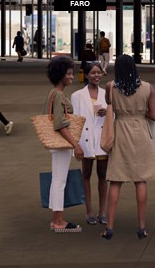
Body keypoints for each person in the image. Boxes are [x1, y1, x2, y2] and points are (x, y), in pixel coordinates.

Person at [104, 54, 155, 240]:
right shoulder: (147, 88)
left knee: (116, 180)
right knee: (141, 180)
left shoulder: (110, 87)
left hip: (120, 132)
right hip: (141, 133)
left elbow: (110, 106)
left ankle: (110, 227)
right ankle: (141, 227)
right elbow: (153, 116)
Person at [43, 55, 83, 233]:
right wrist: (76, 144)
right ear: (61, 75)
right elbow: (60, 124)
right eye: (69, 73)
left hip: (56, 144)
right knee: (60, 181)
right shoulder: (59, 95)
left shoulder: (53, 93)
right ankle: (59, 221)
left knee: (57, 180)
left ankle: (56, 219)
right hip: (62, 143)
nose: (72, 76)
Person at [71, 61, 109, 227]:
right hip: (85, 139)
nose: (97, 76)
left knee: (103, 176)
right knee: (86, 174)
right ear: (86, 75)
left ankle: (102, 211)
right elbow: (75, 122)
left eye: (99, 72)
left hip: (102, 139)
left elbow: (114, 116)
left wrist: (108, 112)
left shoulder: (107, 93)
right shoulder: (77, 96)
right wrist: (76, 145)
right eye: (93, 73)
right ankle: (89, 211)